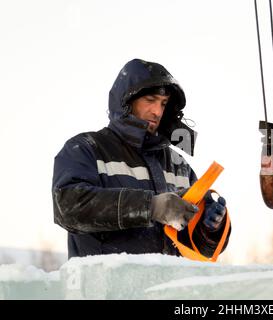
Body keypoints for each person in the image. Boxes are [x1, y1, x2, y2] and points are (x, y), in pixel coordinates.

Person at [52, 58, 231, 259]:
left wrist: (210, 229)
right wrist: (150, 207)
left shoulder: (179, 166)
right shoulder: (86, 148)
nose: (157, 111)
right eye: (150, 100)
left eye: (163, 104)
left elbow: (200, 250)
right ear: (126, 101)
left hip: (171, 288)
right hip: (103, 288)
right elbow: (68, 207)